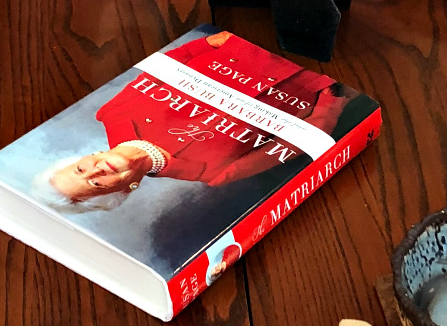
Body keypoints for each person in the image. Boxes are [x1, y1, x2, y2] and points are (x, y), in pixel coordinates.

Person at [31, 31, 351, 211]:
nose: (96, 172)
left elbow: (165, 69)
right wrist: (331, 97)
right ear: (124, 191)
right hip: (314, 77)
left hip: (249, 44)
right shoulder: (215, 174)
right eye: (95, 185)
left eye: (81, 170)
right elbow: (299, 141)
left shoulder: (112, 113)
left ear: (85, 157)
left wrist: (209, 44)